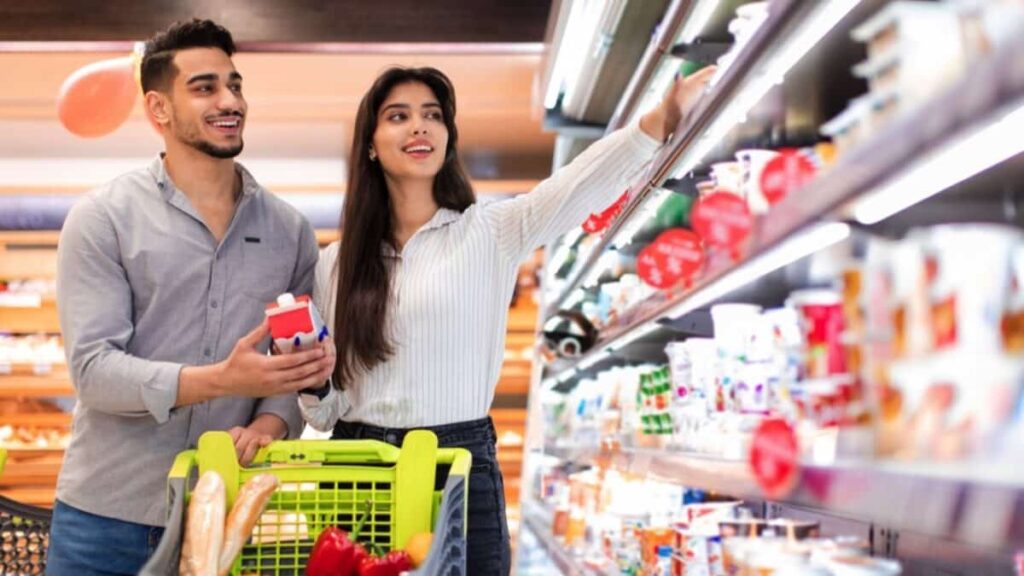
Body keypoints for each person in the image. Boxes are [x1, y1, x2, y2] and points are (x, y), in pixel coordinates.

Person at [299, 65, 716, 574]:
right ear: (370, 143)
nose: (419, 127)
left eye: (433, 115)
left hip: (457, 465)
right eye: (398, 116)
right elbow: (324, 415)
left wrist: (661, 117)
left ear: (448, 137)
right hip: (360, 470)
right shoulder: (337, 263)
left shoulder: (490, 232)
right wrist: (312, 378)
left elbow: (575, 188)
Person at [47, 19, 335, 576]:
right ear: (158, 108)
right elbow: (94, 371)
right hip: (107, 517)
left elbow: (290, 368)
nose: (230, 101)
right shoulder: (103, 218)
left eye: (235, 84)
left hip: (229, 508)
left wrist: (267, 425)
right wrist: (222, 381)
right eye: (204, 87)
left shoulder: (289, 230)